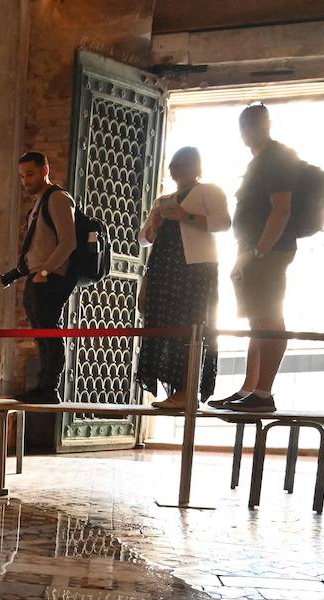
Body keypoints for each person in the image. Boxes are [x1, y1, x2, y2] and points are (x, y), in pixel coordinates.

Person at [212, 104, 298, 413]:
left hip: (266, 251)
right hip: (253, 249)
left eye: (254, 124)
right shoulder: (260, 161)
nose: (248, 132)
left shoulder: (276, 159)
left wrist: (261, 251)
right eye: (245, 126)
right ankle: (250, 388)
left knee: (268, 319)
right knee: (256, 320)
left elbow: (281, 208)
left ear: (267, 125)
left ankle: (263, 393)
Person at [136, 147, 231, 409]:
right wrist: (154, 224)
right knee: (165, 326)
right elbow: (143, 239)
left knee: (191, 326)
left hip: (195, 268)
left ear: (196, 168)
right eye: (174, 165)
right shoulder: (163, 200)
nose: (177, 170)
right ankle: (175, 390)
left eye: (183, 165)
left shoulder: (209, 191)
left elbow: (223, 223)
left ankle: (187, 389)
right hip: (164, 268)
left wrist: (185, 216)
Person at [16, 151, 77, 404]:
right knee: (41, 334)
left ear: (45, 170)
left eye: (30, 174)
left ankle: (50, 387)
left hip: (50, 277)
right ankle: (42, 385)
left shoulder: (58, 199)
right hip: (37, 276)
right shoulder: (40, 202)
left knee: (50, 332)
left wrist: (44, 272)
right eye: (21, 176)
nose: (25, 181)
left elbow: (68, 241)